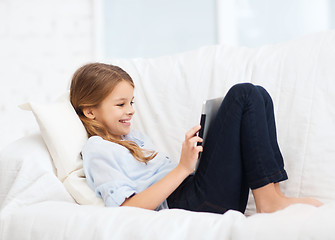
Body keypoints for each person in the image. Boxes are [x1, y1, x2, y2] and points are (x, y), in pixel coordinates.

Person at [70, 62, 322, 214]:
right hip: (189, 202)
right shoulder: (97, 149)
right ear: (90, 111)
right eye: (120, 104)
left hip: (195, 190)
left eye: (131, 102)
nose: (131, 110)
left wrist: (192, 162)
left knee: (259, 96)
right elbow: (127, 209)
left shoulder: (132, 137)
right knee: (243, 95)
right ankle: (269, 201)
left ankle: (272, 193)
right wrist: (182, 168)